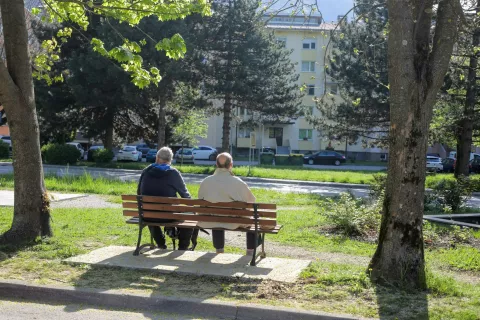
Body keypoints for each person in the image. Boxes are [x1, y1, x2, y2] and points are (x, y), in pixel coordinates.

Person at [198, 152, 257, 255]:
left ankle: (219, 250)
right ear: (231, 165)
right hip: (233, 222)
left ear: (216, 165)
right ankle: (250, 252)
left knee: (216, 216)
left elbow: (200, 200)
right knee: (252, 219)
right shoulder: (238, 182)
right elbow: (251, 201)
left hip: (211, 220)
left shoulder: (206, 181)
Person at [137, 147, 193, 250]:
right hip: (169, 215)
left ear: (157, 158)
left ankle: (161, 244)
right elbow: (185, 195)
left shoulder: (146, 171)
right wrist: (192, 208)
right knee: (190, 218)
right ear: (170, 160)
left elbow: (139, 193)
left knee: (150, 211)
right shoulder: (173, 173)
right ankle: (182, 247)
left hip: (148, 214)